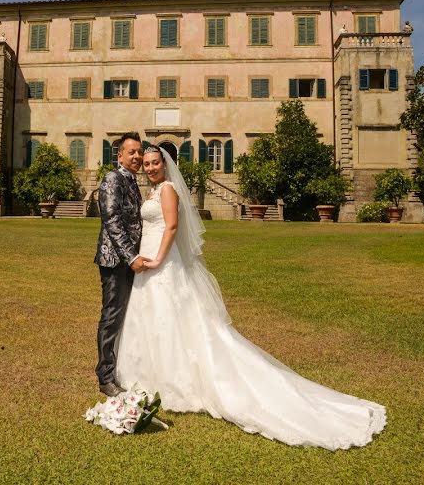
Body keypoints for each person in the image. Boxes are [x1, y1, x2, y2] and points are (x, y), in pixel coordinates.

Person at [115, 147, 386, 450]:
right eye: (147, 164)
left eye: (155, 163)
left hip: (161, 260)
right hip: (147, 261)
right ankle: (155, 375)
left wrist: (157, 258)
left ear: (166, 165)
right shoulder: (151, 190)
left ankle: (177, 381)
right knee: (154, 317)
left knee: (171, 316)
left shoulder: (167, 189)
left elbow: (173, 227)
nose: (150, 167)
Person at [93, 133, 151, 397]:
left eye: (140, 152)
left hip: (130, 261)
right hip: (115, 260)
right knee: (112, 316)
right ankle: (105, 377)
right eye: (132, 152)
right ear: (119, 155)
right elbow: (112, 220)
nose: (137, 157)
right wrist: (131, 257)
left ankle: (121, 369)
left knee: (127, 315)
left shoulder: (132, 182)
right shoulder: (112, 178)